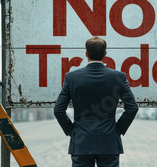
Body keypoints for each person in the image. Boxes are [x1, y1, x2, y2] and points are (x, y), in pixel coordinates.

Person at [54, 36, 139, 167]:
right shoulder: (119, 77)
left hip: (81, 142)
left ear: (86, 54)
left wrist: (72, 132)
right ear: (105, 54)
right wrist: (117, 130)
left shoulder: (71, 78)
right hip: (109, 142)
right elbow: (132, 108)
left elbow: (58, 110)